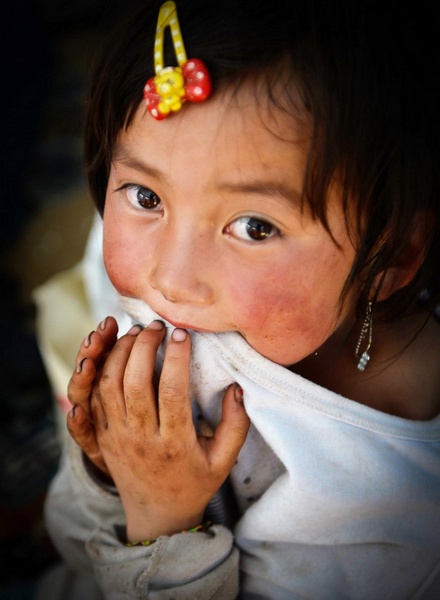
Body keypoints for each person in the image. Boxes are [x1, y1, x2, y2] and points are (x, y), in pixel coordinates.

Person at [44, 0, 440, 597]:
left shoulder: (389, 498)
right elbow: (72, 539)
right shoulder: (174, 306)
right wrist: (107, 464)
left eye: (255, 227)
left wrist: (160, 520)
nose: (172, 279)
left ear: (390, 258)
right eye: (146, 197)